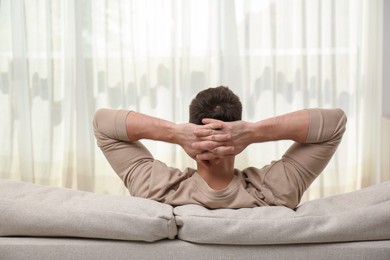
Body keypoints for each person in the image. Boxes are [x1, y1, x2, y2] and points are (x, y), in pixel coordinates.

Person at [93, 86, 347, 209]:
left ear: (191, 126)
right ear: (238, 128)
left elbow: (102, 123)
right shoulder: (274, 191)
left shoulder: (157, 189)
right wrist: (254, 132)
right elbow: (335, 123)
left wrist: (174, 133)